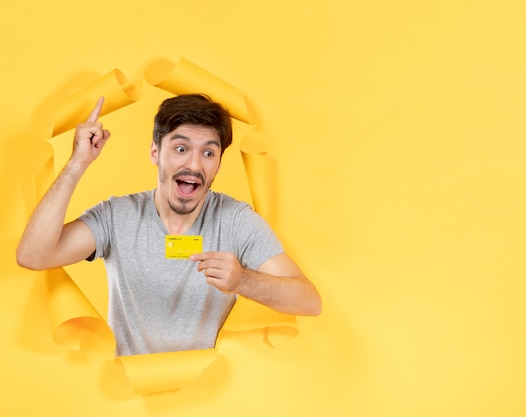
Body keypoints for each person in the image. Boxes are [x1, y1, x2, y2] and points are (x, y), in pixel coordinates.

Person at [16, 94, 321, 356]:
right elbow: (33, 255)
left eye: (209, 152)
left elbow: (308, 301)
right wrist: (76, 164)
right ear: (155, 152)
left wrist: (243, 280)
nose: (194, 164)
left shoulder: (237, 221)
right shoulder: (117, 216)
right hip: (130, 395)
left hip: (210, 398)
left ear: (218, 163)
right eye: (180, 148)